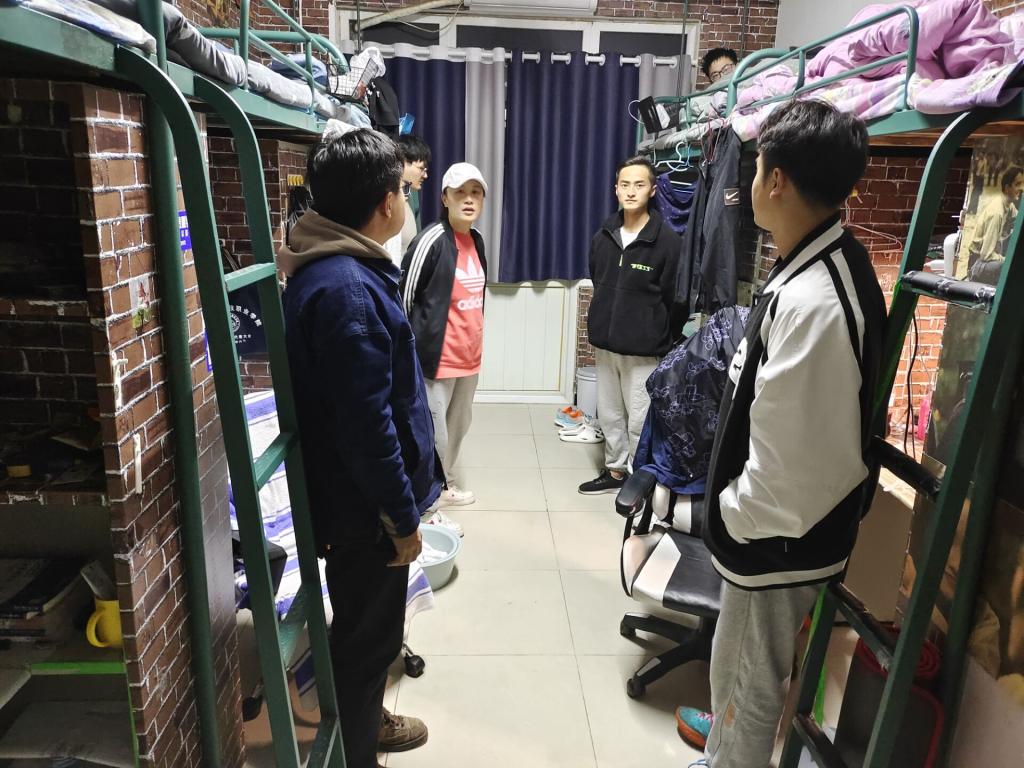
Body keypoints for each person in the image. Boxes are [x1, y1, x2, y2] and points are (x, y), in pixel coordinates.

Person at [675, 100, 886, 768]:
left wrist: (729, 518)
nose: (749, 178)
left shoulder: (815, 303)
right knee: (737, 669)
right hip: (773, 532)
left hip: (776, 538)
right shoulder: (807, 264)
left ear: (777, 181)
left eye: (757, 163)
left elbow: (792, 464)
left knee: (748, 681)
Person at [278, 129, 437, 768]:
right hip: (365, 513)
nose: (405, 198)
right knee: (368, 641)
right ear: (384, 202)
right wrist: (400, 517)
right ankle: (358, 752)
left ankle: (364, 726)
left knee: (365, 631)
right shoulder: (348, 290)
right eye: (402, 188)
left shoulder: (337, 267)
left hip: (353, 502)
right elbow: (368, 429)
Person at [578, 156, 683, 495]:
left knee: (639, 419)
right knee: (609, 415)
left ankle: (639, 482)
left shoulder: (667, 241)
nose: (631, 191)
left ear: (652, 190)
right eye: (625, 185)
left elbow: (675, 298)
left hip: (644, 350)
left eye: (639, 185)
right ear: (616, 190)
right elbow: (599, 278)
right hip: (606, 344)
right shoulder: (604, 235)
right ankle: (615, 471)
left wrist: (659, 334)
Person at [400, 163, 488, 516]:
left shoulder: (476, 240)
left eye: (475, 193)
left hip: (469, 357)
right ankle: (426, 499)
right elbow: (404, 298)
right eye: (460, 192)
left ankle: (445, 484)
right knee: (433, 433)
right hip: (435, 358)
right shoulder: (431, 240)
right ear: (444, 198)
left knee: (457, 427)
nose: (468, 199)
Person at [967, 164, 1023, 284]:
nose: (1021, 188)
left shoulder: (1009, 205)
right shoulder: (997, 213)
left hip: (989, 258)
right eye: (1017, 184)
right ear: (1007, 187)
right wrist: (1007, 259)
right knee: (1009, 266)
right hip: (977, 263)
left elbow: (1019, 221)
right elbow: (986, 255)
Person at [383, 134, 432, 266]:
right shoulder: (386, 203)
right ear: (403, 162)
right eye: (421, 169)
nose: (425, 175)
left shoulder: (409, 200)